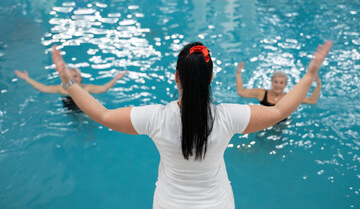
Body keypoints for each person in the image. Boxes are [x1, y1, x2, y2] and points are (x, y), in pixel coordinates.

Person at [51, 40, 332, 208]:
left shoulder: (156, 117)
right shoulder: (227, 116)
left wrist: (69, 82)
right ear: (210, 79)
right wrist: (309, 74)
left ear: (176, 77)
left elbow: (103, 115)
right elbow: (279, 111)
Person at [14, 68, 127, 111]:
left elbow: (103, 89)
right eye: (71, 77)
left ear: (80, 78)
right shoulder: (62, 89)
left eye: (76, 77)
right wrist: (27, 79)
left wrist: (115, 79)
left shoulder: (86, 88)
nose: (73, 80)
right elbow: (43, 88)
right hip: (70, 110)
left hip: (85, 110)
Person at [236, 63, 322, 106]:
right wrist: (238, 74)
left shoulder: (289, 97)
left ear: (285, 85)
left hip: (281, 124)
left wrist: (318, 85)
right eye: (276, 82)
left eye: (281, 83)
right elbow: (241, 92)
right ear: (271, 83)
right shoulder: (262, 93)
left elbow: (312, 101)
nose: (278, 85)